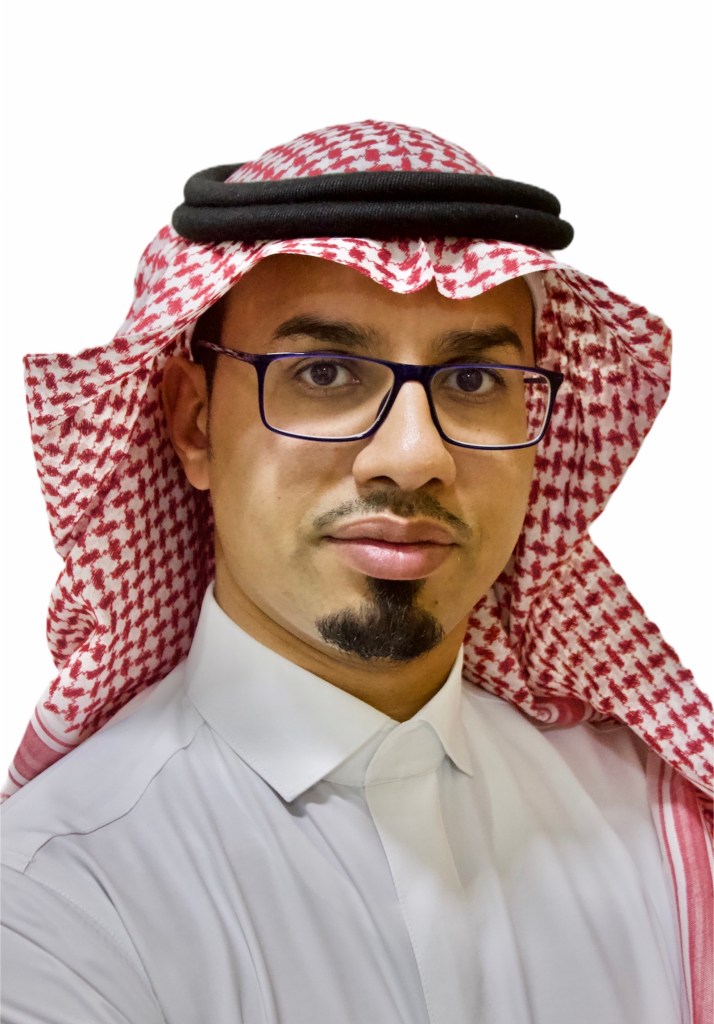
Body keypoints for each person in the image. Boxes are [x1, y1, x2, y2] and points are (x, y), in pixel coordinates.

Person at [1, 121, 711, 1023]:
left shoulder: (655, 826)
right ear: (192, 423)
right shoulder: (57, 898)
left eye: (473, 382)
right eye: (326, 373)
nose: (413, 458)